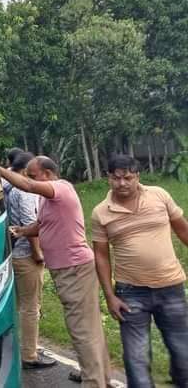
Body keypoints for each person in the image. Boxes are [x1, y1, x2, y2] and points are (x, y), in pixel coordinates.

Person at [2, 156, 111, 388]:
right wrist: (22, 231)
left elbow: (27, 186)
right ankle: (101, 378)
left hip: (74, 269)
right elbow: (41, 225)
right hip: (68, 269)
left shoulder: (61, 188)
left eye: (33, 175)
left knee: (81, 329)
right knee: (89, 327)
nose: (28, 179)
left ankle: (94, 382)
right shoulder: (46, 199)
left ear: (48, 174)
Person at [92, 154, 188, 388]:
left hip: (171, 287)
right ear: (108, 178)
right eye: (116, 178)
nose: (122, 183)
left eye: (128, 178)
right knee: (136, 358)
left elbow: (183, 230)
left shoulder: (159, 195)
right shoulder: (101, 212)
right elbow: (101, 256)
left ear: (137, 176)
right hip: (130, 293)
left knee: (183, 351)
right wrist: (109, 296)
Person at [6, 151, 56, 370]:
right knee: (31, 307)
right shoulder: (25, 192)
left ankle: (22, 347)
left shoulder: (8, 187)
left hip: (13, 253)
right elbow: (29, 223)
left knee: (18, 305)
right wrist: (37, 253)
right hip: (26, 254)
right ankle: (29, 355)